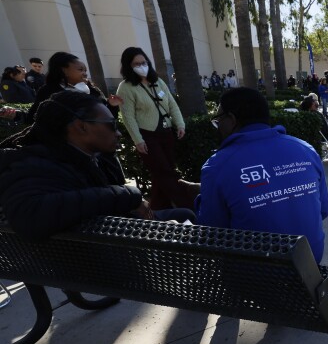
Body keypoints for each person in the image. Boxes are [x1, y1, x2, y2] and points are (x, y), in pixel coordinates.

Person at [0, 91, 193, 239]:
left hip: (103, 245)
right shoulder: (33, 165)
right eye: (111, 125)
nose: (118, 133)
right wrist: (127, 195)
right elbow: (28, 215)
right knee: (187, 217)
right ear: (81, 127)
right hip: (113, 260)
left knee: (184, 214)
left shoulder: (80, 156)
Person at [196, 88, 328, 262]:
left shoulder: (217, 166)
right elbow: (323, 210)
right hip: (311, 267)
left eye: (219, 120)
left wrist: (200, 200)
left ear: (232, 119)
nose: (218, 126)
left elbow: (213, 234)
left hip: (257, 280)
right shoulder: (305, 150)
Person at [116, 46, 196, 211]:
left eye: (144, 62)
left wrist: (179, 124)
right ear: (128, 66)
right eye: (136, 64)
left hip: (166, 132)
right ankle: (189, 206)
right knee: (165, 173)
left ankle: (158, 209)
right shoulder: (126, 87)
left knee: (162, 174)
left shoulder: (158, 81)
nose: (142, 66)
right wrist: (138, 140)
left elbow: (171, 104)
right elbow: (128, 116)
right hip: (148, 136)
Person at [26, 52, 122, 124]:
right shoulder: (49, 91)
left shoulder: (93, 90)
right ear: (64, 71)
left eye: (85, 70)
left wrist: (112, 105)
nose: (85, 73)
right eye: (80, 70)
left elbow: (108, 117)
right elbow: (33, 118)